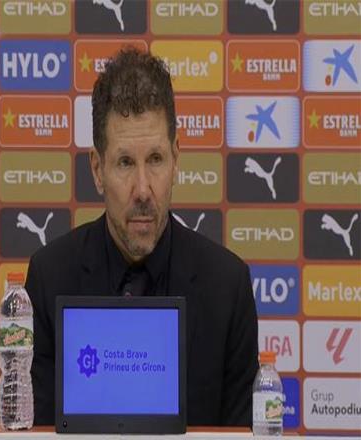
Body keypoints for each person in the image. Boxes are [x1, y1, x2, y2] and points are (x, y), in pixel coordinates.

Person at [26, 47, 259, 427]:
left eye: (155, 160)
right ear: (97, 169)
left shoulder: (227, 286)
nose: (143, 189)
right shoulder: (49, 277)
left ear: (176, 160)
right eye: (124, 163)